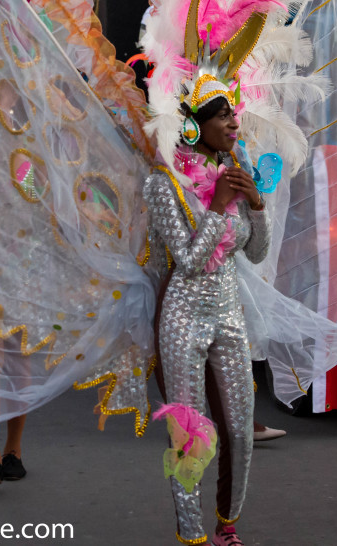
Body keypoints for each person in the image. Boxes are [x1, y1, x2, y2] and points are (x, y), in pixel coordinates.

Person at [145, 92, 269, 546]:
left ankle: (227, 525)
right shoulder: (163, 184)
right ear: (194, 126)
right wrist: (218, 205)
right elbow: (191, 260)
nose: (235, 123)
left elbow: (256, 252)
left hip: (229, 316)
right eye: (223, 116)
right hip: (181, 318)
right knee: (191, 437)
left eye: (234, 114)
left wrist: (255, 201)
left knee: (240, 432)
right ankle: (193, 537)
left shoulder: (233, 174)